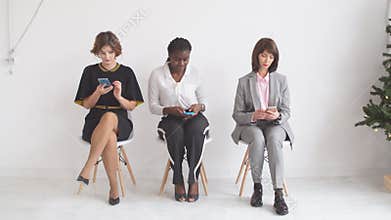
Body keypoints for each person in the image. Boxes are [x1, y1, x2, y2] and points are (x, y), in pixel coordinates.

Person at [74, 31, 143, 205]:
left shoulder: (127, 72)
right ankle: (114, 190)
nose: (107, 57)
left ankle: (87, 167)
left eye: (110, 53)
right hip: (94, 119)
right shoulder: (89, 72)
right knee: (109, 137)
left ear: (116, 52)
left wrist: (119, 97)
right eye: (102, 53)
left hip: (120, 119)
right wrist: (97, 92)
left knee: (110, 116)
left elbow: (132, 106)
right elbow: (87, 105)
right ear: (97, 52)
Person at [231, 38, 294, 215]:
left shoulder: (281, 80)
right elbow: (236, 114)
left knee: (274, 139)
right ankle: (257, 187)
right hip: (251, 125)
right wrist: (253, 115)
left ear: (275, 60)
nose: (266, 60)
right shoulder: (244, 81)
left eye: (271, 57)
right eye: (263, 55)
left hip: (275, 124)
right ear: (257, 56)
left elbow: (287, 111)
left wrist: (278, 115)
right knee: (258, 138)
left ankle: (278, 193)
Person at [148, 37, 209, 202]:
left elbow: (205, 101)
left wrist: (198, 107)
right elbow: (152, 106)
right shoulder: (157, 75)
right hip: (170, 118)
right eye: (177, 59)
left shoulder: (195, 73)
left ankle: (193, 179)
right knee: (176, 134)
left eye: (185, 59)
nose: (181, 63)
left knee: (196, 132)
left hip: (193, 117)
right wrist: (169, 109)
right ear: (169, 56)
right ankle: (178, 180)